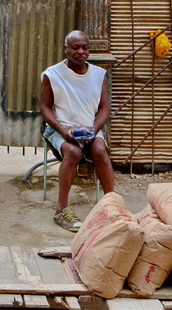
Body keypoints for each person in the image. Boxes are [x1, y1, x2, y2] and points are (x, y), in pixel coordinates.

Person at [40, 30, 115, 232]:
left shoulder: (99, 75)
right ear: (66, 49)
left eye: (85, 47)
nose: (81, 51)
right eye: (75, 47)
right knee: (73, 151)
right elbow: (45, 108)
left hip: (89, 129)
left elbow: (104, 108)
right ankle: (61, 210)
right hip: (60, 129)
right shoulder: (52, 75)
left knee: (99, 149)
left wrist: (93, 130)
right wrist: (64, 131)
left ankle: (113, 207)